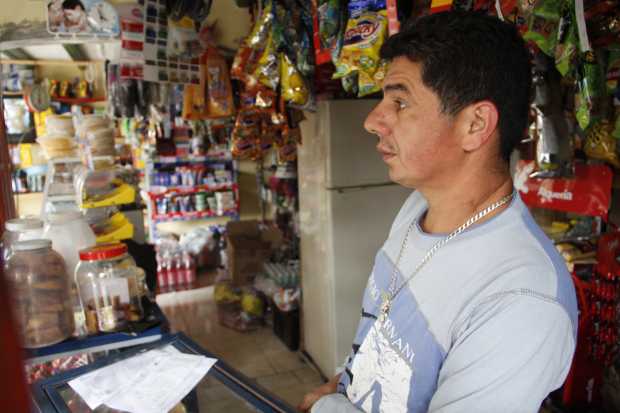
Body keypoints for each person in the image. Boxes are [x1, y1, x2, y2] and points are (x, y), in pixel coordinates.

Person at [299, 11, 577, 413]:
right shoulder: (418, 209)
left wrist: (326, 409)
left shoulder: (522, 300)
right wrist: (344, 383)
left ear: (475, 124)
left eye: (400, 102)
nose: (372, 121)